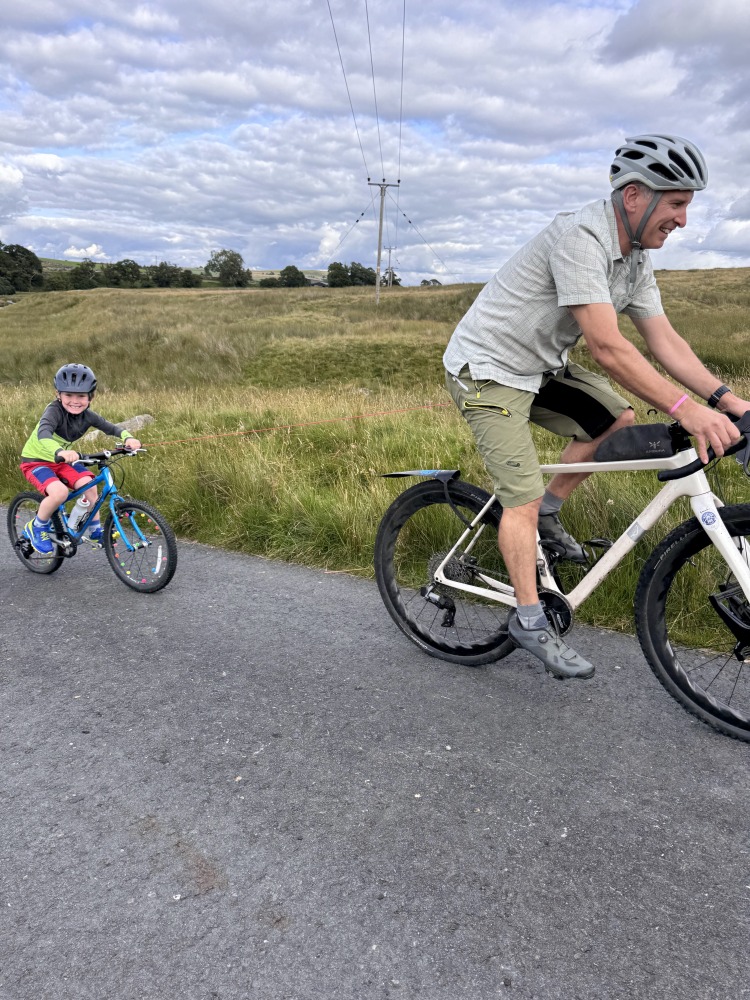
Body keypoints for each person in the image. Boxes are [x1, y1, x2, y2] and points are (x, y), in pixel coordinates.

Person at [443, 133, 750, 680]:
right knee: (520, 499)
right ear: (634, 196)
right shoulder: (581, 236)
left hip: (538, 367)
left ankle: (548, 514)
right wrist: (687, 410)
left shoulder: (633, 256)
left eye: (686, 206)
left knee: (616, 421)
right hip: (487, 371)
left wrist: (730, 403)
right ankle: (529, 619)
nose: (683, 220)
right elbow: (608, 347)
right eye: (676, 203)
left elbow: (665, 342)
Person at [20, 363, 141, 554]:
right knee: (59, 493)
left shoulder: (87, 416)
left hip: (62, 462)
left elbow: (111, 428)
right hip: (36, 461)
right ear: (58, 395)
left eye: (81, 396)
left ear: (90, 397)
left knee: (90, 485)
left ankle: (94, 530)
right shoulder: (54, 411)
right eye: (68, 395)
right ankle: (37, 526)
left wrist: (128, 437)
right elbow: (44, 433)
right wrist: (60, 451)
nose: (75, 401)